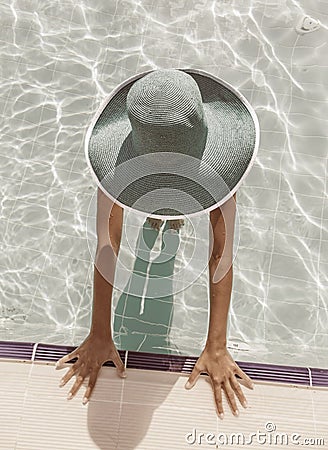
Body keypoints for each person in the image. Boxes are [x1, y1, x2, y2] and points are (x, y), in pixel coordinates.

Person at [55, 68, 259, 419]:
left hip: (177, 162)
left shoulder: (218, 174)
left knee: (176, 205)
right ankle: (161, 209)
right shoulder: (119, 169)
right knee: (158, 205)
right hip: (151, 162)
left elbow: (220, 254)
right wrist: (100, 332)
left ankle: (165, 209)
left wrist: (217, 346)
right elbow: (108, 245)